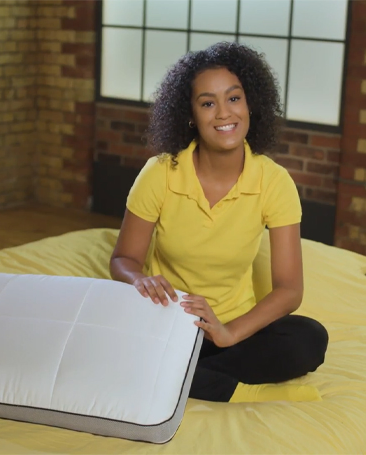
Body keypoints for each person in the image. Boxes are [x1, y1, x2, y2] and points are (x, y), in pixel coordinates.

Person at [109, 42, 328, 403]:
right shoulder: (161, 172)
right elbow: (123, 259)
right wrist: (140, 278)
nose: (224, 114)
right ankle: (221, 387)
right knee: (112, 346)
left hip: (233, 333)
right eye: (208, 103)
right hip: (167, 325)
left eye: (234, 99)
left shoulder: (274, 182)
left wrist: (228, 332)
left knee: (308, 339)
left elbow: (290, 289)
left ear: (251, 104)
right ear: (191, 114)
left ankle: (180, 378)